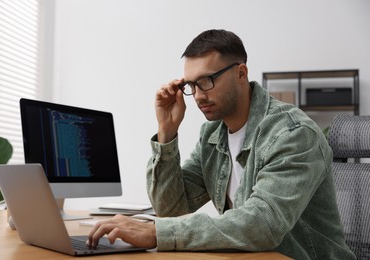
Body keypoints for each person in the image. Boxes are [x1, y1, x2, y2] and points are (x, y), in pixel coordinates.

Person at [87, 29, 355, 259]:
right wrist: (167, 132)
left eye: (207, 80)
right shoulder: (212, 135)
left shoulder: (293, 133)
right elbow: (171, 210)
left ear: (241, 73)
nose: (199, 95)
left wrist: (157, 232)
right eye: (192, 84)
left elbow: (262, 224)